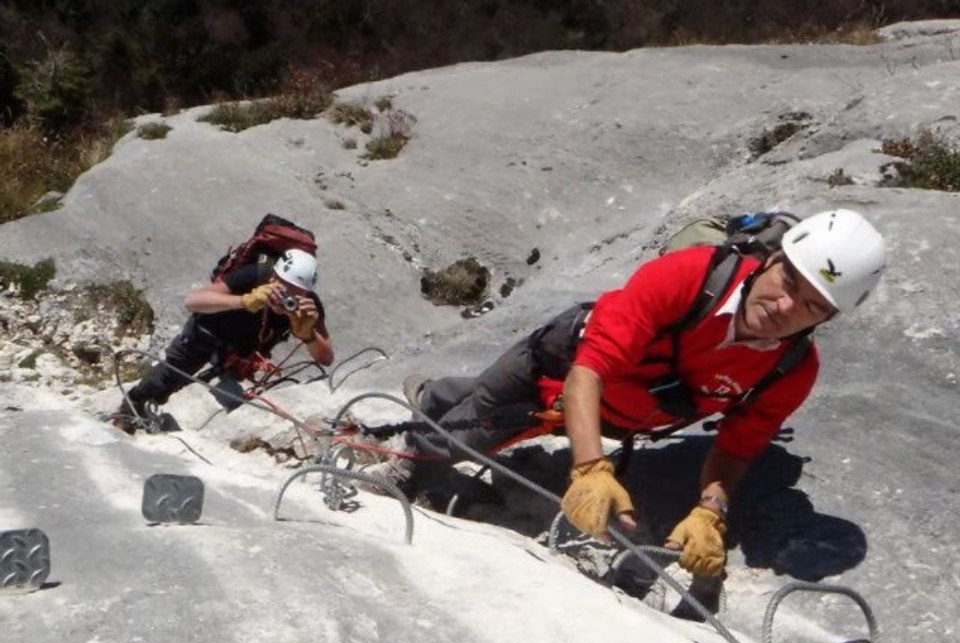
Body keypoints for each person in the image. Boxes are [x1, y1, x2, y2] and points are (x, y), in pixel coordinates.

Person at [373, 208, 887, 577]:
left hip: (626, 413)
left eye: (812, 307)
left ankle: (440, 396)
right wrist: (590, 469)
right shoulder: (689, 277)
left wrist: (711, 511)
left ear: (829, 318)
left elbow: (736, 446)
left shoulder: (791, 368)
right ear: (772, 259)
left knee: (492, 417)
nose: (784, 306)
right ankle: (406, 459)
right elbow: (589, 371)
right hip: (560, 365)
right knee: (461, 438)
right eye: (789, 281)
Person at [114, 248, 334, 432]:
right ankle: (130, 410)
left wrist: (308, 334)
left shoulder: (307, 308)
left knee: (211, 391)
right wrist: (245, 300)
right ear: (274, 277)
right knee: (167, 378)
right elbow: (193, 301)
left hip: (239, 354)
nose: (287, 296)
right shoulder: (255, 275)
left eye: (297, 292)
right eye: (284, 286)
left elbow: (325, 357)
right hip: (205, 333)